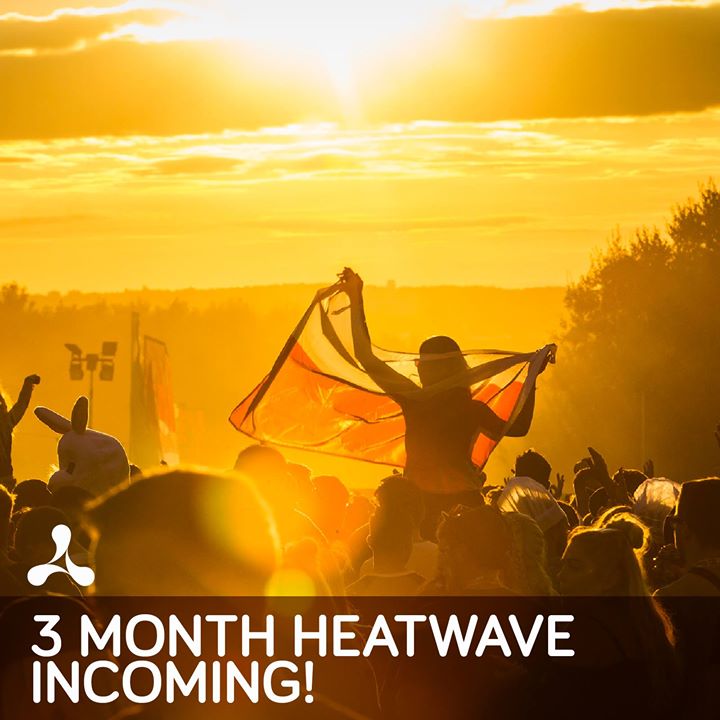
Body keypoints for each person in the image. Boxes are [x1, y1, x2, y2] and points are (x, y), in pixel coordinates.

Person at [339, 267, 545, 529]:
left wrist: (356, 299)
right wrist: (532, 379)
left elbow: (366, 357)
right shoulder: (470, 408)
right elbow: (519, 427)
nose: (418, 368)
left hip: (421, 506)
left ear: (431, 368)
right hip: (464, 504)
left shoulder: (416, 400)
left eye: (422, 364)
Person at [0, 374, 40, 489]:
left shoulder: (5, 423)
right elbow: (21, 404)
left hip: (5, 477)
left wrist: (28, 384)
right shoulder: (6, 423)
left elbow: (21, 404)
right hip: (5, 477)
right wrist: (28, 384)